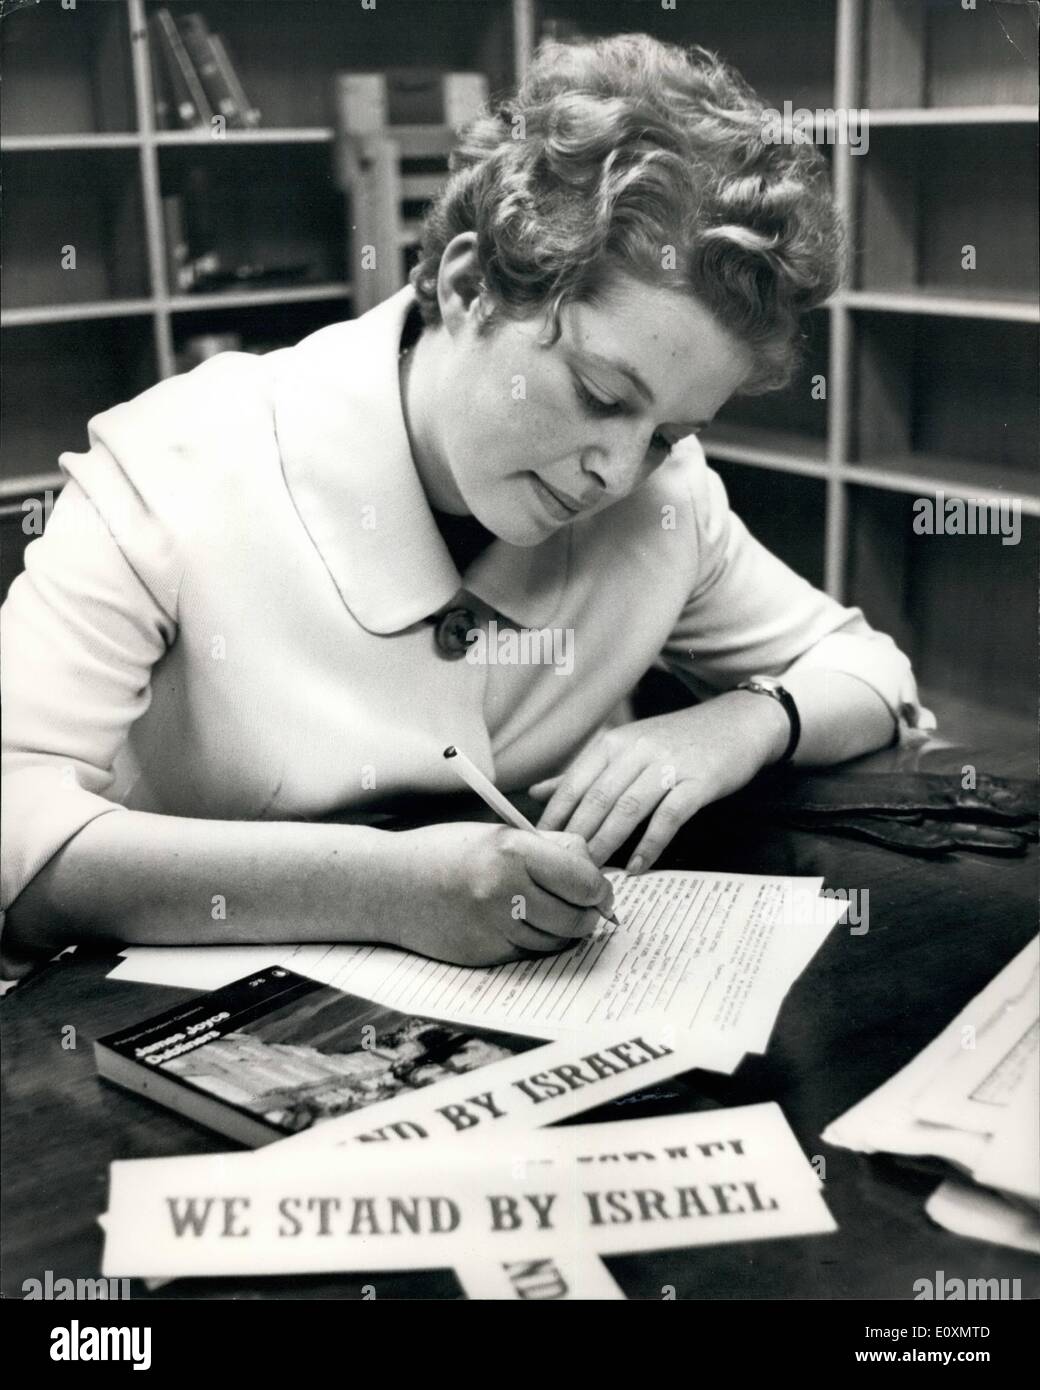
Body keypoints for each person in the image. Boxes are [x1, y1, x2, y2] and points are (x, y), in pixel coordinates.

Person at [0, 34, 931, 979]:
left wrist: (740, 721)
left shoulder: (664, 504)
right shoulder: (172, 460)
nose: (615, 470)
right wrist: (383, 887)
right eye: (602, 396)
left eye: (667, 433)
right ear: (467, 284)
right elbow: (12, 823)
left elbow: (868, 671)